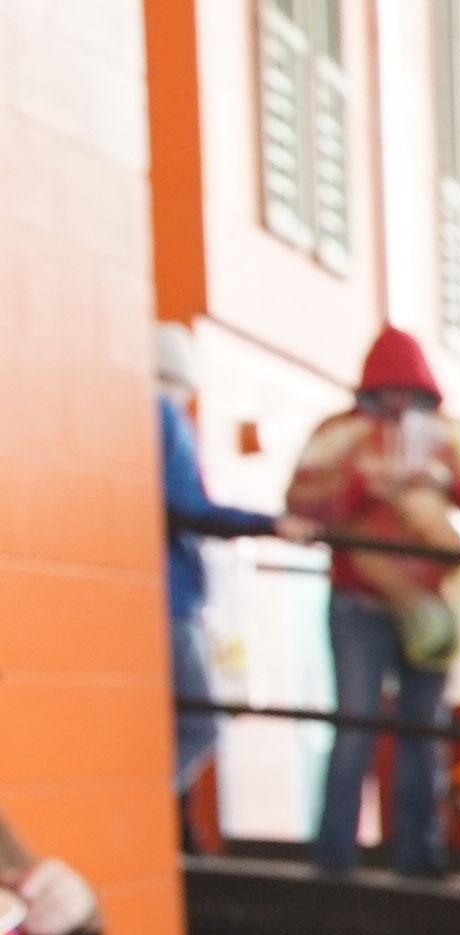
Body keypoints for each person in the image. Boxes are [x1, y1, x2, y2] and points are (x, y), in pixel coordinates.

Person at [288, 328, 460, 878]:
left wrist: (445, 484)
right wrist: (364, 489)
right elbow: (301, 505)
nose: (400, 403)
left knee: (423, 735)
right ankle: (334, 860)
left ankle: (420, 857)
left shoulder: (452, 438)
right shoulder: (339, 436)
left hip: (434, 606)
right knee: (354, 729)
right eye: (390, 391)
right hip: (358, 600)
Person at [159, 323, 315, 815]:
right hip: (171, 596)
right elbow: (189, 506)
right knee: (200, 721)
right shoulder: (163, 416)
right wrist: (271, 524)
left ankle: (167, 824)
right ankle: (151, 813)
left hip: (147, 595)